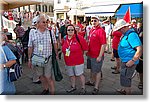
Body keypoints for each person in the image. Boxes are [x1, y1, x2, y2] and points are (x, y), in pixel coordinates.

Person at [28, 15, 58, 95]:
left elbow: (55, 43)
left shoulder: (50, 32)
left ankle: (52, 93)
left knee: (48, 76)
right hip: (37, 59)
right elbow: (30, 46)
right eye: (43, 22)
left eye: (46, 22)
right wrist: (29, 59)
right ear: (37, 23)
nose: (46, 23)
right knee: (41, 76)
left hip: (48, 58)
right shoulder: (32, 33)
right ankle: (46, 88)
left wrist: (57, 54)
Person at [113, 19, 142, 95]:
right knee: (123, 76)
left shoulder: (131, 35)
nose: (119, 31)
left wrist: (132, 61)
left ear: (123, 28)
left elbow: (139, 49)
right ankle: (124, 90)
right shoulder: (126, 33)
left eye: (119, 29)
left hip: (129, 61)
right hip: (125, 60)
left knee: (126, 79)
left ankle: (128, 94)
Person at [62, 24, 88, 94]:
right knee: (71, 75)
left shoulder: (79, 38)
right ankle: (73, 87)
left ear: (74, 31)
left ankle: (83, 88)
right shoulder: (65, 39)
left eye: (72, 30)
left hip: (78, 61)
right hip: (68, 62)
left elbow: (85, 48)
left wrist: (80, 54)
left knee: (80, 74)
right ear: (66, 31)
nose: (70, 31)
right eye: (68, 30)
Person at [86, 16, 107, 94]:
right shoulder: (92, 29)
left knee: (97, 71)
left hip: (97, 55)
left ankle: (96, 87)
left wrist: (100, 56)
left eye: (95, 20)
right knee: (91, 69)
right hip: (90, 54)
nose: (93, 22)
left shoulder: (101, 31)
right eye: (92, 21)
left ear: (98, 21)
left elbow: (103, 44)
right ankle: (91, 81)